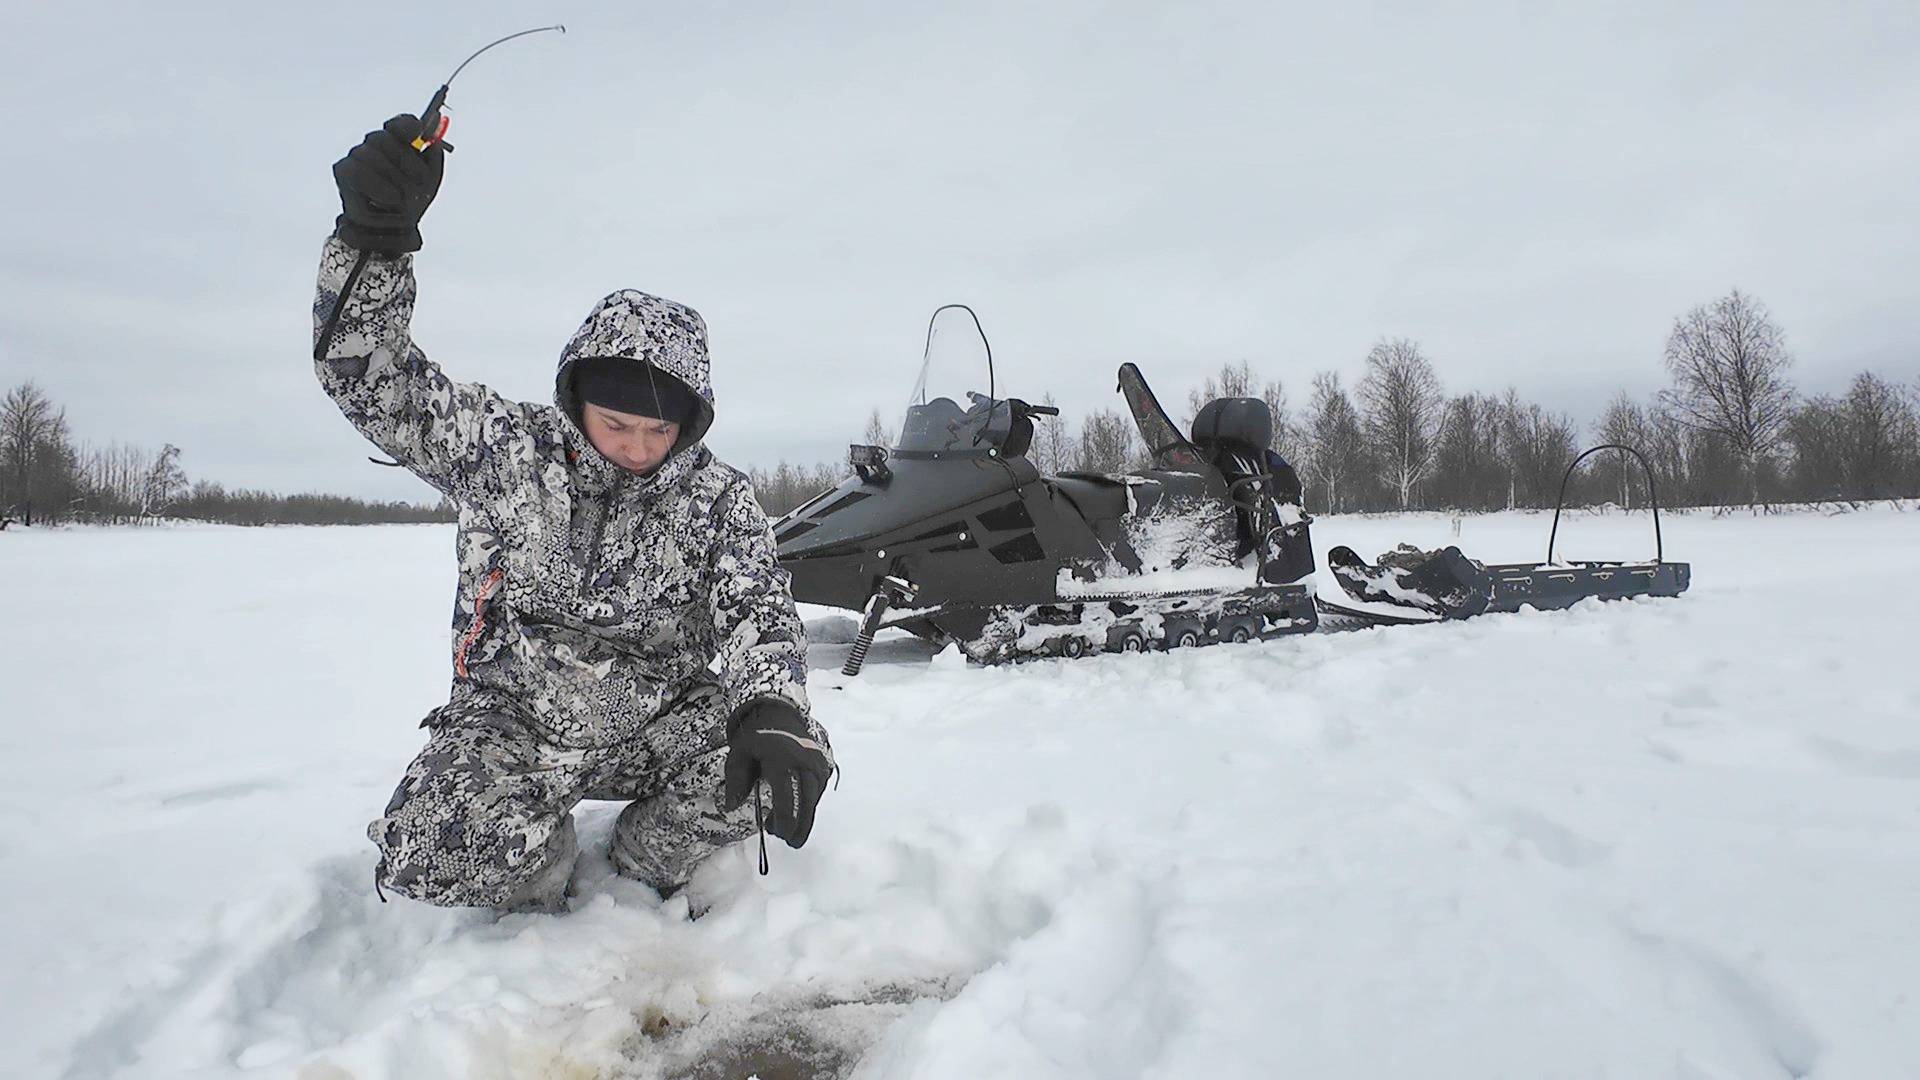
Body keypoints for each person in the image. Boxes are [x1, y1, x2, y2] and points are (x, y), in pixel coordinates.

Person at [314, 115, 833, 913]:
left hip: (660, 720)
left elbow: (759, 611)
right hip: (511, 723)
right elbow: (367, 373)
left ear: (689, 426)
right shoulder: (504, 449)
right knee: (427, 850)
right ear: (576, 399)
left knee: (786, 760)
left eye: (658, 430)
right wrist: (373, 239)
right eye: (615, 424)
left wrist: (771, 706)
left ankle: (638, 862)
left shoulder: (718, 498)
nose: (635, 447)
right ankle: (544, 865)